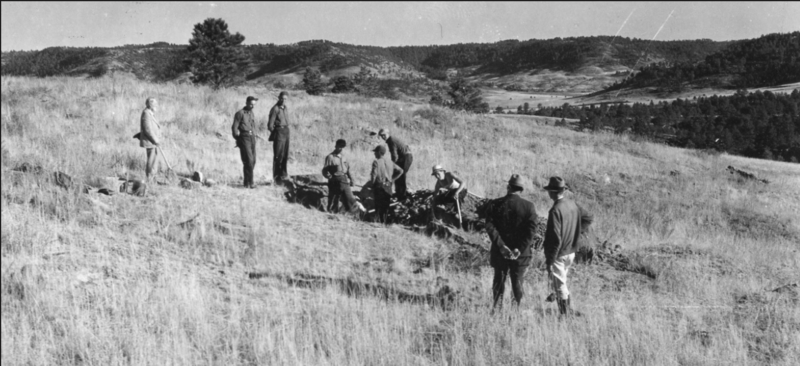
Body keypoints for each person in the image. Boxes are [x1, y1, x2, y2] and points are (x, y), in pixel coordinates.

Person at [485, 174, 538, 310]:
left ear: (508, 187)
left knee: (499, 280)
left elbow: (490, 227)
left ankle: (497, 309)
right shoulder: (529, 207)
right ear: (521, 190)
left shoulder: (494, 204)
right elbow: (531, 232)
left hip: (499, 251)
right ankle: (516, 311)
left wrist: (502, 246)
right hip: (520, 253)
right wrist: (518, 249)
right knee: (517, 281)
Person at [542, 176, 594, 316]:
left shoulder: (555, 210)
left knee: (560, 286)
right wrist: (577, 233)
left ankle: (564, 315)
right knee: (562, 283)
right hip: (571, 251)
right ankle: (567, 311)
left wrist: (550, 260)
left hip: (559, 253)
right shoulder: (572, 204)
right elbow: (589, 217)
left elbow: (555, 239)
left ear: (552, 192)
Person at [322, 139, 365, 214]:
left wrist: (352, 179)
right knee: (333, 197)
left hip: (343, 179)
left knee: (349, 197)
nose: (340, 149)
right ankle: (331, 212)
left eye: (342, 147)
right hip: (334, 179)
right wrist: (328, 176)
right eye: (339, 147)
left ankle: (355, 212)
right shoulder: (330, 157)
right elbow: (325, 170)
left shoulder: (345, 157)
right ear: (336, 146)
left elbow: (349, 169)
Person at [369, 145, 404, 223]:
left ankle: (377, 221)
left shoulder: (376, 162)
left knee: (378, 205)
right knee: (385, 206)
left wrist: (372, 185)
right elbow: (401, 171)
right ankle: (384, 222)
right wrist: (392, 180)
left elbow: (374, 175)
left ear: (379, 153)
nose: (374, 154)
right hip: (388, 186)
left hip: (379, 186)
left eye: (375, 152)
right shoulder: (390, 162)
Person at [378, 128, 413, 200]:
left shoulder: (391, 140)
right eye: (381, 136)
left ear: (388, 133)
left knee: (401, 175)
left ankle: (402, 196)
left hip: (406, 157)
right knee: (398, 175)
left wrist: (392, 165)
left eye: (384, 135)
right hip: (403, 157)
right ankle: (399, 193)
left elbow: (394, 155)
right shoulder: (390, 140)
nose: (383, 137)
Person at [232, 96, 258, 188]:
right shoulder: (240, 113)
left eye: (254, 105)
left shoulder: (251, 113)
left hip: (252, 137)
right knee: (249, 160)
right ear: (246, 103)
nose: (252, 106)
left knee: (253, 160)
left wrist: (255, 135)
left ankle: (247, 181)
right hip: (244, 137)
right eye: (251, 104)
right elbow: (234, 128)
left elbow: (253, 125)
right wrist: (238, 139)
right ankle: (250, 183)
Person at [268, 91, 291, 183]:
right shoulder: (275, 109)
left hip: (286, 131)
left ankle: (284, 175)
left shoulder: (285, 108)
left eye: (285, 99)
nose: (283, 100)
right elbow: (270, 125)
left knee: (285, 154)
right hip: (279, 131)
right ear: (278, 97)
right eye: (282, 98)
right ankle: (277, 177)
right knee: (278, 155)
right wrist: (276, 133)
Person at [139, 97, 161, 182]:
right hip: (150, 141)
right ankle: (150, 179)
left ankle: (152, 178)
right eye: (155, 104)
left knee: (154, 160)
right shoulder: (146, 113)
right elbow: (147, 129)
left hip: (153, 141)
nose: (156, 106)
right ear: (150, 105)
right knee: (152, 161)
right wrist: (155, 140)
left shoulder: (150, 113)